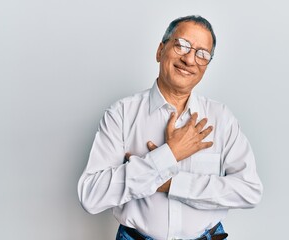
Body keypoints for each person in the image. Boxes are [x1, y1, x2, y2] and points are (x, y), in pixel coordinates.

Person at [78, 15, 263, 240]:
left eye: (202, 54)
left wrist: (172, 184)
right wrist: (169, 154)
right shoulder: (122, 114)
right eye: (182, 45)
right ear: (160, 51)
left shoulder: (221, 118)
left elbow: (249, 191)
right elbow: (91, 195)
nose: (190, 59)